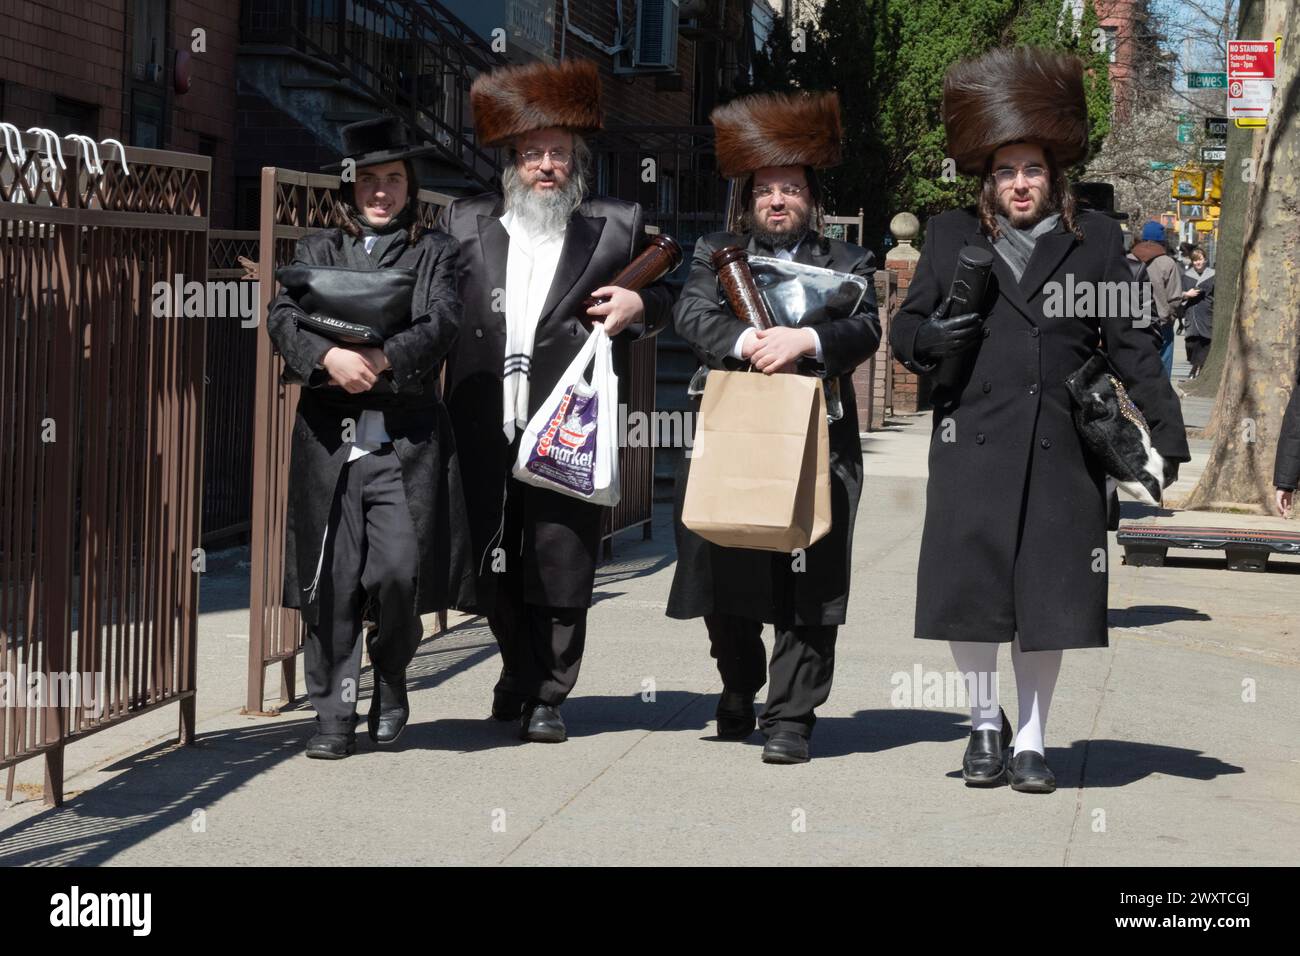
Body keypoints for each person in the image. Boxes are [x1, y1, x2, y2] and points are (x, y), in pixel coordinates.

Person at [889, 47, 1189, 793]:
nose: (1019, 183)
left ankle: (1031, 739)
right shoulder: (951, 236)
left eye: (1031, 169)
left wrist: (1167, 428)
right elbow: (907, 330)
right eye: (1004, 171)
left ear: (1052, 174)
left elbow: (1132, 347)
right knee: (973, 594)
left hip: (1063, 451)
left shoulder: (1096, 243)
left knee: (1048, 599)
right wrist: (931, 340)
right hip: (973, 443)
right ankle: (983, 723)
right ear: (986, 179)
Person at [438, 59, 674, 744]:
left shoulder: (614, 224)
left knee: (561, 561)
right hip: (484, 418)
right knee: (488, 562)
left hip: (569, 423)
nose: (548, 165)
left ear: (578, 160)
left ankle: (548, 693)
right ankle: (517, 671)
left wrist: (640, 302)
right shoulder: (465, 222)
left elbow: (671, 292)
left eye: (560, 153)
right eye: (534, 152)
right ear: (513, 158)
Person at [667, 90, 881, 765]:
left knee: (811, 578)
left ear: (811, 197)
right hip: (733, 432)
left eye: (790, 186)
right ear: (749, 199)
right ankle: (739, 683)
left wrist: (804, 343)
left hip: (823, 435)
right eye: (766, 188)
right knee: (720, 567)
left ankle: (791, 716)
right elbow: (691, 318)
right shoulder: (714, 252)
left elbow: (865, 328)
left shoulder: (851, 262)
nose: (778, 199)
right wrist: (749, 341)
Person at [267, 116, 476, 759]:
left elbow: (442, 321)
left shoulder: (434, 250)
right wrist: (329, 360)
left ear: (410, 187)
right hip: (330, 442)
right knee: (329, 581)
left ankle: (389, 676)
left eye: (394, 179)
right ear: (350, 185)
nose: (381, 191)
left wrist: (382, 360)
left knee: (396, 575)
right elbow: (283, 316)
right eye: (369, 179)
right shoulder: (317, 247)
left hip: (404, 442)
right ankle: (332, 713)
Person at [1129, 220, 1184, 377]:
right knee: (1162, 369)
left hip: (1132, 322)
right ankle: (1160, 399)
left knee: (1135, 367)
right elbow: (1175, 298)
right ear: (1162, 240)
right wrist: (1171, 316)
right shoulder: (1167, 263)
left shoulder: (1128, 259)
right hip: (1161, 323)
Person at [1179, 246, 1214, 379]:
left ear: (1205, 260)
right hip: (1191, 314)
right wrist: (1187, 294)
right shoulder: (1186, 276)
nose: (1198, 263)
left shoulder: (1213, 275)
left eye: (1200, 259)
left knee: (1205, 342)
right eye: (1195, 260)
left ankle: (1197, 369)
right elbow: (1179, 293)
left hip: (1207, 314)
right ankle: (1195, 365)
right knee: (1191, 344)